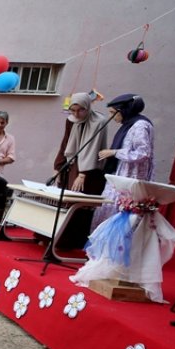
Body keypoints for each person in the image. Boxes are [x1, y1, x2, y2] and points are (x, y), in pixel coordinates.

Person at [52, 92, 112, 250]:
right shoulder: (71, 121)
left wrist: (82, 173)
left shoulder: (99, 122)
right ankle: (56, 239)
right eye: (73, 111)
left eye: (80, 110)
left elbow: (92, 148)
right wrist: (58, 167)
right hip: (71, 164)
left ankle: (72, 242)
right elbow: (66, 143)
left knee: (80, 204)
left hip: (90, 169)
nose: (76, 114)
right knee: (64, 201)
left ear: (87, 107)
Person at [92, 93, 155, 230]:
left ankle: (115, 248)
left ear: (125, 111)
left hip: (130, 177)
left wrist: (114, 152)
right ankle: (101, 247)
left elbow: (144, 153)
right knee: (107, 208)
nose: (111, 117)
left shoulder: (140, 126)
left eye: (113, 113)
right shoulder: (129, 124)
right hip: (119, 174)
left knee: (119, 212)